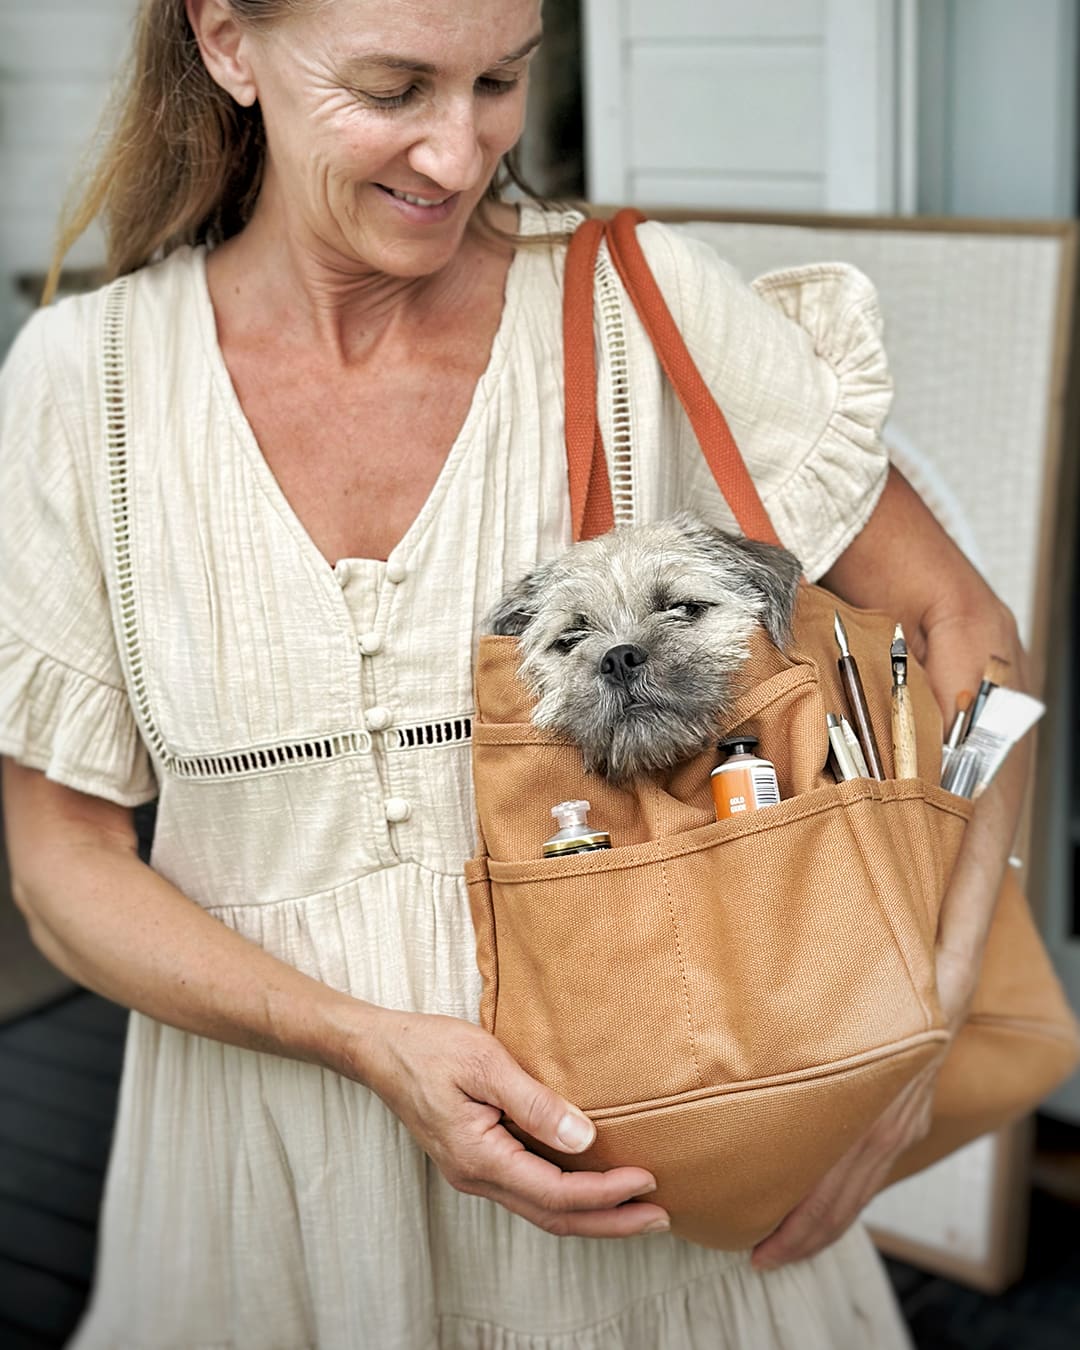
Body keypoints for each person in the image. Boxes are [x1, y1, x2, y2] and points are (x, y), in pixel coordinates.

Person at [0, 1, 1028, 1347]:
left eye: (498, 81)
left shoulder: (637, 303)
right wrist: (364, 1038)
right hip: (267, 1201)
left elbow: (968, 633)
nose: (455, 154)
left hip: (667, 1213)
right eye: (392, 86)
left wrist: (922, 1034)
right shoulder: (87, 386)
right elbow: (62, 865)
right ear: (227, 42)